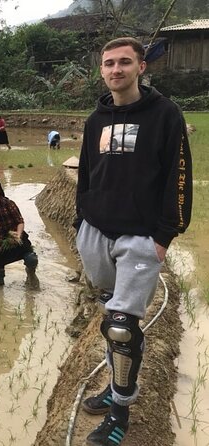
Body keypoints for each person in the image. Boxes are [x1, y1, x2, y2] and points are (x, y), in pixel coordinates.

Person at [75, 37, 192, 446]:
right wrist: (80, 223)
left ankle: (120, 412)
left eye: (125, 62)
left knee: (123, 327)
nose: (116, 69)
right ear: (102, 70)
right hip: (96, 234)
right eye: (108, 63)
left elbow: (179, 176)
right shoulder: (95, 119)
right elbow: (86, 173)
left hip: (141, 237)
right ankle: (113, 385)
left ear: (142, 67)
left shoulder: (165, 115)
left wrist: (164, 235)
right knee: (111, 321)